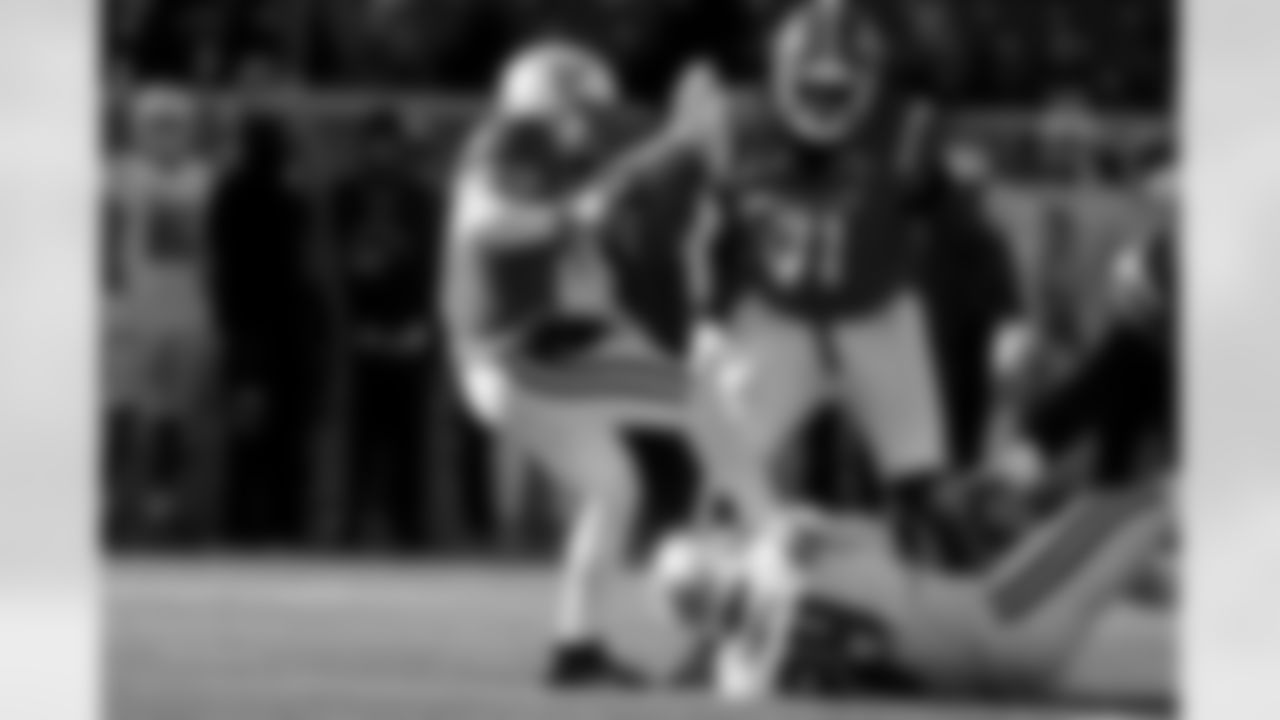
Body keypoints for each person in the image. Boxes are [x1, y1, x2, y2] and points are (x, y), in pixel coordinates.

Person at [441, 42, 724, 687]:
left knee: (616, 486)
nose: (587, 123)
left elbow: (584, 236)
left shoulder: (537, 157)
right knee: (697, 403)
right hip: (507, 358)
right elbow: (493, 224)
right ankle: (769, 561)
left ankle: (576, 649)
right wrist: (575, 215)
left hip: (515, 355)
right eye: (579, 108)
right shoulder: (506, 144)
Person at [685, 0, 986, 569]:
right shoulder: (737, 126)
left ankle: (945, 613)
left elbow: (963, 232)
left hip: (878, 313)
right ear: (781, 74)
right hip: (775, 315)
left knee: (919, 482)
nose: (826, 101)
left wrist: (1007, 316)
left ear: (872, 82)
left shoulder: (906, 131)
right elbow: (713, 232)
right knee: (731, 474)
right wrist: (707, 317)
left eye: (840, 89)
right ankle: (721, 610)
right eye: (814, 87)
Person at [106, 85, 218, 544]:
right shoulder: (118, 176)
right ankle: (108, 506)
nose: (166, 135)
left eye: (174, 125)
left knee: (170, 418)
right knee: (121, 413)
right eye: (157, 124)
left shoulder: (204, 180)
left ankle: (161, 509)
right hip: (131, 309)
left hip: (187, 312)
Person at [208, 112, 316, 546]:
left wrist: (229, 322)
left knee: (257, 426)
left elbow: (224, 265)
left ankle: (249, 520)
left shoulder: (235, 192)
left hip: (254, 327)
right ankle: (274, 520)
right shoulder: (274, 195)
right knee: (268, 426)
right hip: (270, 327)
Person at [332, 109, 437, 551]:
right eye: (375, 141)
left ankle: (409, 526)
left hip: (408, 328)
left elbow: (431, 265)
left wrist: (421, 324)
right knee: (360, 436)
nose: (383, 151)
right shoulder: (346, 196)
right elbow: (336, 263)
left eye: (389, 141)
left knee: (408, 435)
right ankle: (353, 524)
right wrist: (354, 324)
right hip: (361, 330)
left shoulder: (420, 198)